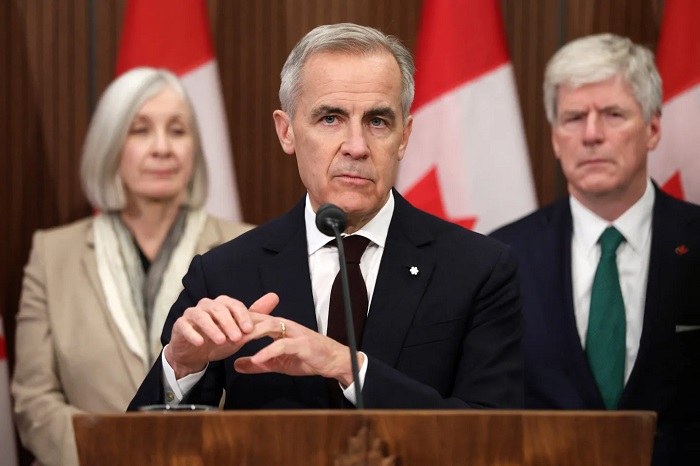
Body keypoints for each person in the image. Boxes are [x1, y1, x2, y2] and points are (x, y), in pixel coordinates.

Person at [128, 23, 523, 413]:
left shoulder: (478, 270)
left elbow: (494, 433)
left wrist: (349, 368)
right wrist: (181, 367)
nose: (356, 146)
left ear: (403, 137)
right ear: (286, 132)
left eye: (377, 121)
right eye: (330, 118)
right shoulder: (224, 274)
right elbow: (141, 442)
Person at [11, 67, 253, 466]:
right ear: (109, 145)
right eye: (140, 130)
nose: (162, 148)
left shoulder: (246, 247)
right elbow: (34, 401)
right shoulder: (52, 254)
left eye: (177, 131)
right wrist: (112, 454)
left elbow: (258, 392)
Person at [490, 33, 700, 465]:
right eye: (573, 118)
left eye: (612, 114)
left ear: (653, 129)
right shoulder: (502, 256)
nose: (591, 135)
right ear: (555, 138)